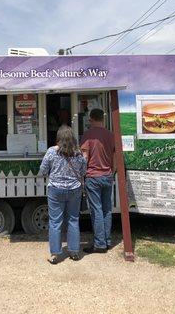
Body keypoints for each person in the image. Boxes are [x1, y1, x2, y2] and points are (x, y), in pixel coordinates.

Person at [40, 125, 87, 264]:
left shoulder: (51, 152)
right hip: (74, 190)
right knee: (73, 220)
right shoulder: (78, 153)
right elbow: (83, 172)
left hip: (56, 189)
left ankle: (55, 254)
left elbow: (43, 170)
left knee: (55, 222)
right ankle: (74, 251)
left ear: (58, 138)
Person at [80, 108, 115, 253]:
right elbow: (116, 156)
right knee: (107, 209)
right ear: (103, 119)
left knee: (96, 210)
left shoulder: (88, 135)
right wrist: (112, 172)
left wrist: (82, 175)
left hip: (93, 176)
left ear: (91, 119)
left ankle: (100, 244)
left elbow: (84, 158)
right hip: (107, 175)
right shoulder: (111, 135)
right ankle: (106, 241)